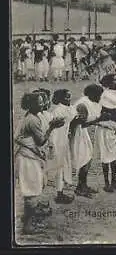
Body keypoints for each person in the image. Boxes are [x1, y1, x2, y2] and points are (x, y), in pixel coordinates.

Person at [15, 93, 65, 234]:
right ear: (32, 105)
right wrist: (52, 127)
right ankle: (28, 226)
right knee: (32, 191)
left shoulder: (31, 117)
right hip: (27, 159)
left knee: (31, 189)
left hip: (28, 156)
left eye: (43, 102)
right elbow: (41, 141)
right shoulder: (32, 120)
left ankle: (27, 218)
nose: (43, 104)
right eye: (40, 102)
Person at [69, 84, 106, 198]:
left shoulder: (92, 102)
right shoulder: (82, 104)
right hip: (77, 133)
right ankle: (80, 188)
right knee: (84, 160)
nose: (101, 97)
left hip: (82, 133)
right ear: (92, 94)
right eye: (99, 95)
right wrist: (99, 120)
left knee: (88, 159)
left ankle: (83, 185)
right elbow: (83, 123)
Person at [50, 89, 79, 204]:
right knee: (59, 167)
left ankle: (61, 190)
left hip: (64, 138)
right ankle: (59, 194)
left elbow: (73, 117)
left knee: (64, 165)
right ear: (61, 99)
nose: (69, 99)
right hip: (57, 139)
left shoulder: (69, 108)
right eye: (66, 97)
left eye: (69, 96)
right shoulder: (58, 110)